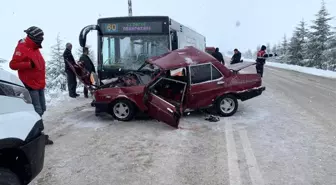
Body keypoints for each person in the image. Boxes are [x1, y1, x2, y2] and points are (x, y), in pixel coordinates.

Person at [9, 26, 53, 145]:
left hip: (39, 84)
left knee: (42, 109)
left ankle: (36, 134)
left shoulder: (34, 47)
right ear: (34, 37)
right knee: (37, 111)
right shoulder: (22, 47)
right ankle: (36, 137)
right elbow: (13, 64)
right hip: (30, 84)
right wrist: (28, 64)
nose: (42, 39)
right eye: (40, 37)